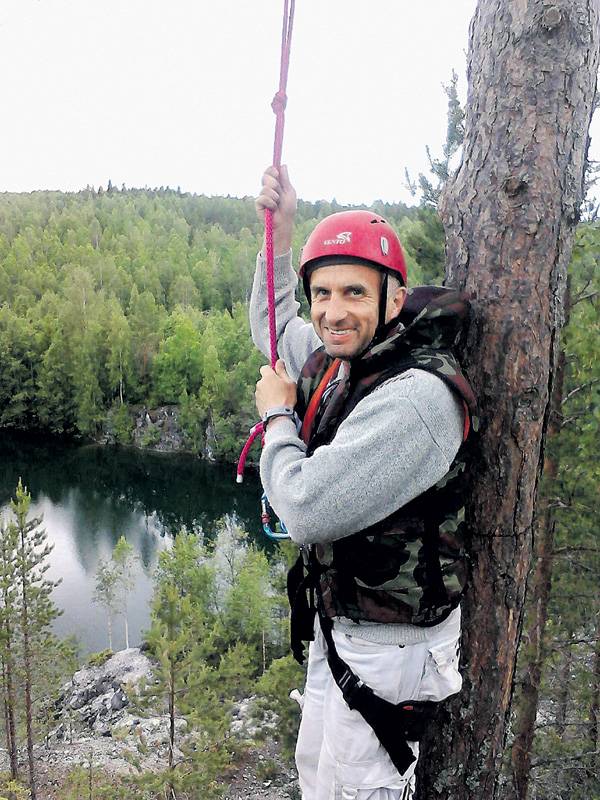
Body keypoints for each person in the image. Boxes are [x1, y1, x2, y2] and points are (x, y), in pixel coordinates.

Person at [250, 165, 476, 800]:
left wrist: (277, 417)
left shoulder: (417, 400)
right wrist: (281, 232)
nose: (332, 310)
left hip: (390, 649)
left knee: (357, 792)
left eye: (353, 292)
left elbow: (306, 509)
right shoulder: (345, 362)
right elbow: (272, 322)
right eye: (322, 293)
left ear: (393, 300)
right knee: (318, 779)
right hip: (343, 626)